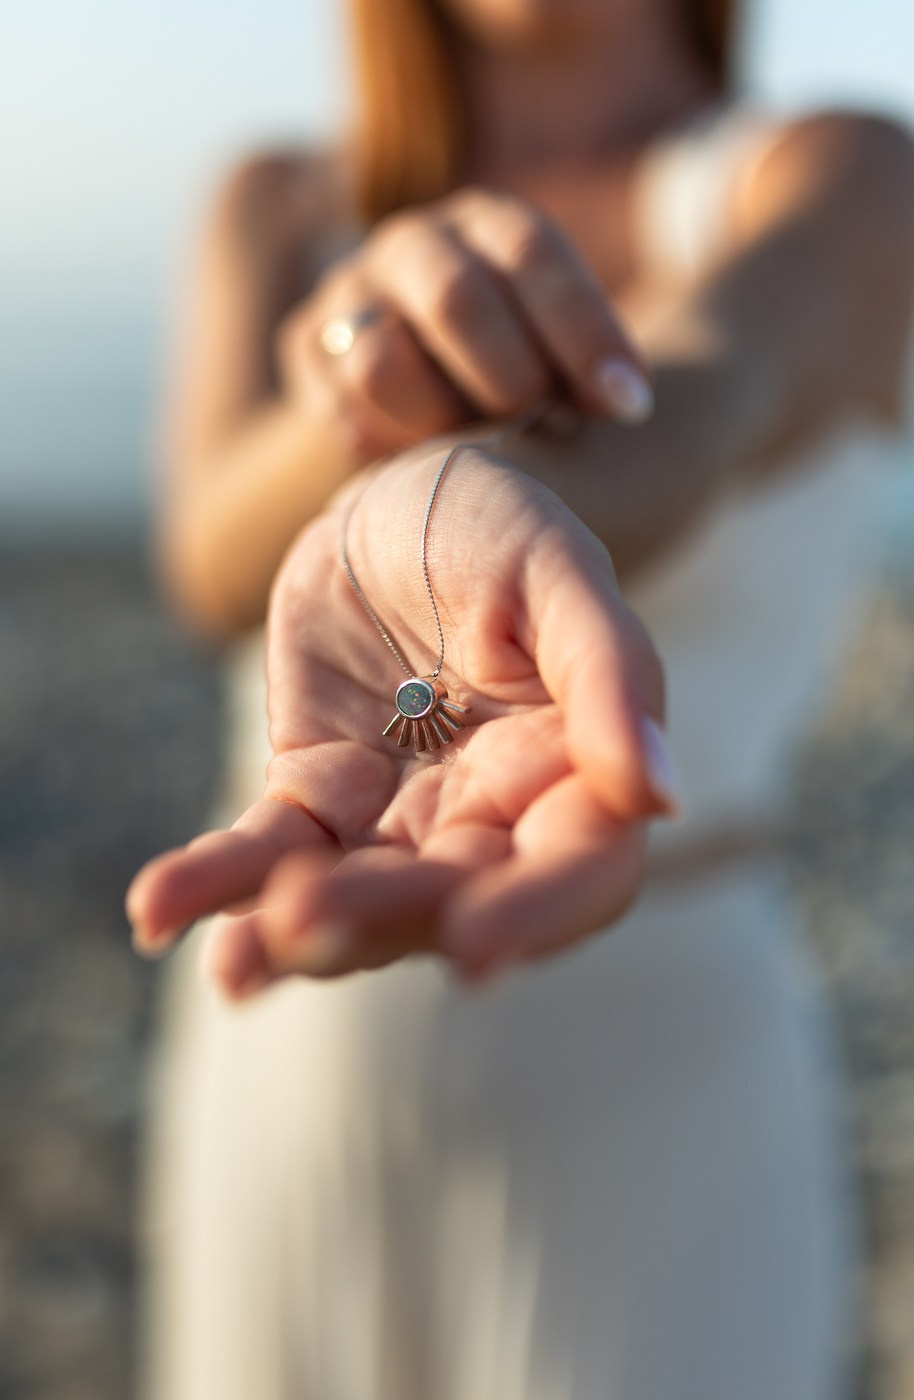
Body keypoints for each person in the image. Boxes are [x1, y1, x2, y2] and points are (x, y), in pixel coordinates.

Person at [127, 0, 914, 1395]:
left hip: (664, 1094)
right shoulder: (280, 203)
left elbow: (698, 406)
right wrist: (358, 390)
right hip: (286, 1076)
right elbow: (203, 558)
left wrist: (476, 492)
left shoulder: (837, 178)